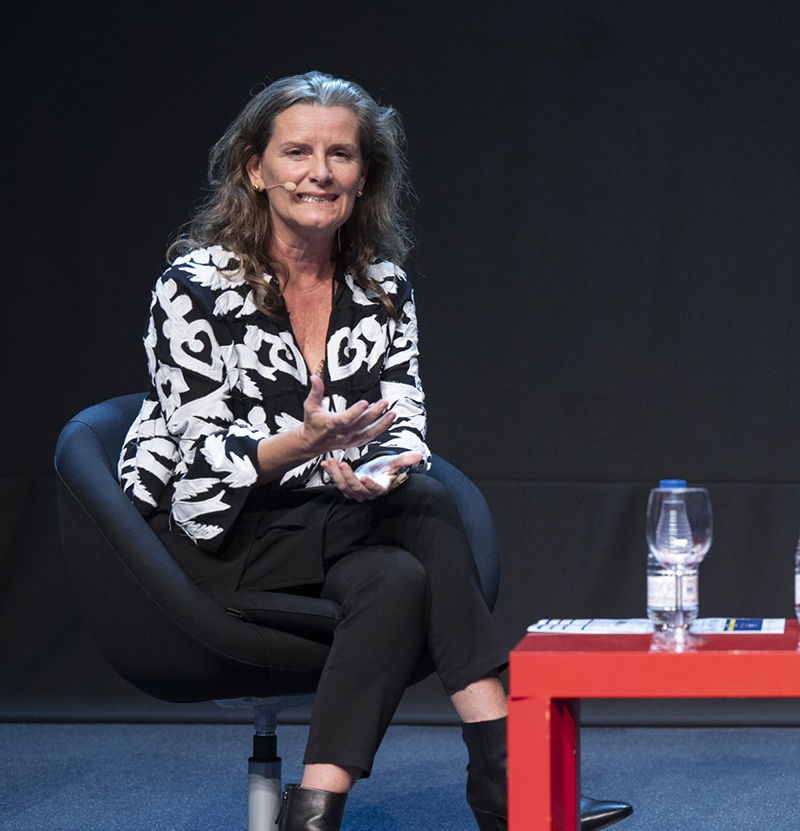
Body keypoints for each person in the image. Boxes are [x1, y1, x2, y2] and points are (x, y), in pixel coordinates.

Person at [117, 71, 632, 831]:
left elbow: (405, 417)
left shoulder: (380, 285)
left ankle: (315, 809)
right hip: (220, 530)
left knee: (395, 573)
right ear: (254, 169)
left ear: (366, 176)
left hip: (330, 520)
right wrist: (303, 442)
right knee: (425, 504)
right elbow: (199, 453)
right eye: (296, 152)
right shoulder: (193, 287)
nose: (319, 172)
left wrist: (375, 469)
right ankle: (508, 773)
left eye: (341, 155)